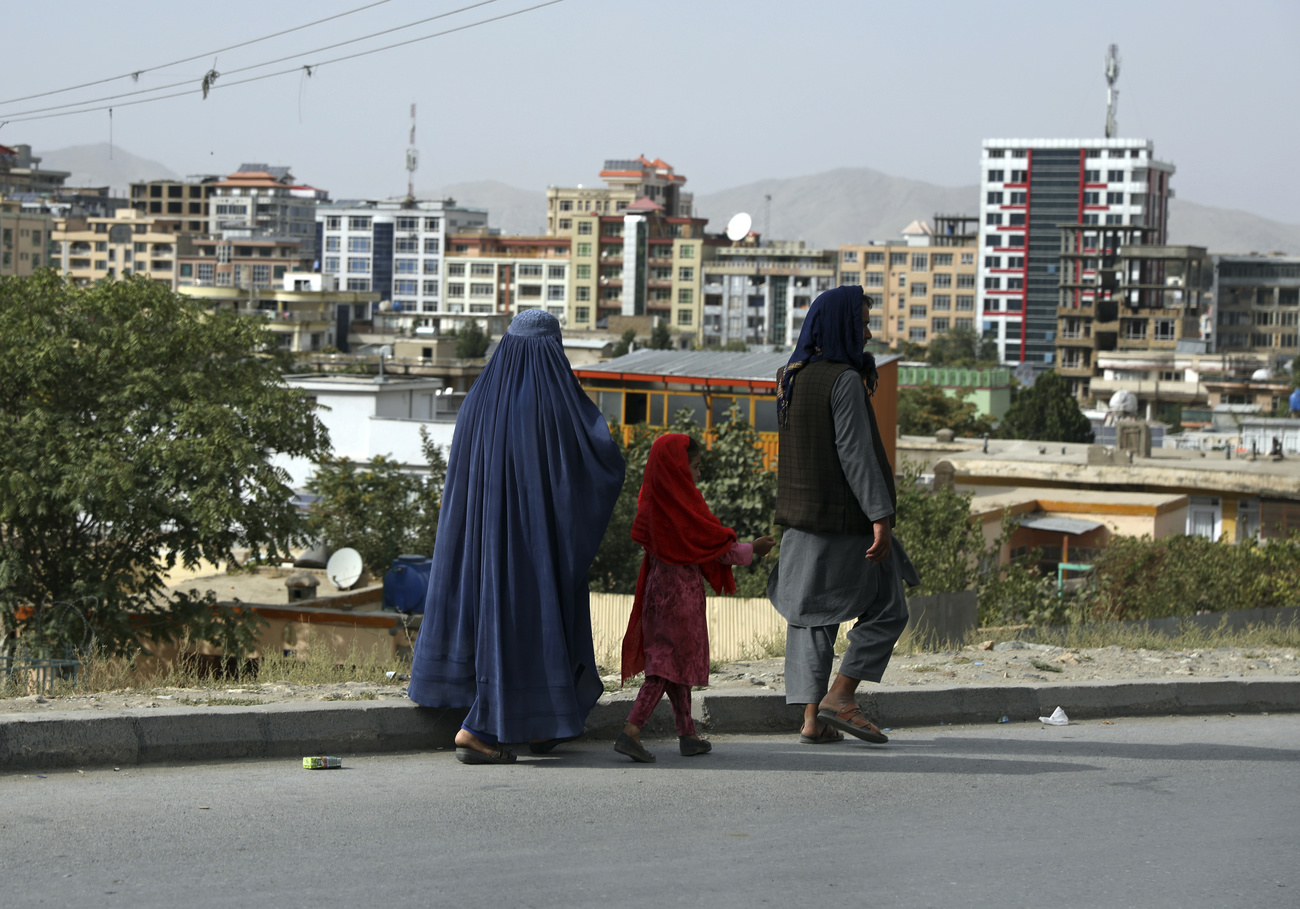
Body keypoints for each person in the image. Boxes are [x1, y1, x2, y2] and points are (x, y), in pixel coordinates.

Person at [407, 310, 625, 764]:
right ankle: (477, 727)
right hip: (527, 547)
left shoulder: (477, 399)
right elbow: (594, 461)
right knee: (524, 625)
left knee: (500, 621)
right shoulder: (550, 402)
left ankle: (543, 725)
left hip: (476, 546)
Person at [768, 284, 918, 746]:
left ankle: (813, 719)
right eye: (864, 323)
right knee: (889, 607)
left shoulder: (789, 375)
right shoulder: (844, 380)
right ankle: (842, 696)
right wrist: (881, 517)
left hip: (799, 521)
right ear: (841, 327)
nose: (869, 334)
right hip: (845, 523)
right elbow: (854, 454)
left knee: (812, 617)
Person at [616, 433, 775, 763]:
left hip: (655, 591)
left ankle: (687, 733)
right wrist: (752, 549)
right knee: (663, 666)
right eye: (696, 467)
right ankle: (632, 730)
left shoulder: (651, 499)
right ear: (678, 467)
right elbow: (713, 548)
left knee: (675, 663)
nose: (699, 475)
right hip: (680, 597)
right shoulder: (683, 506)